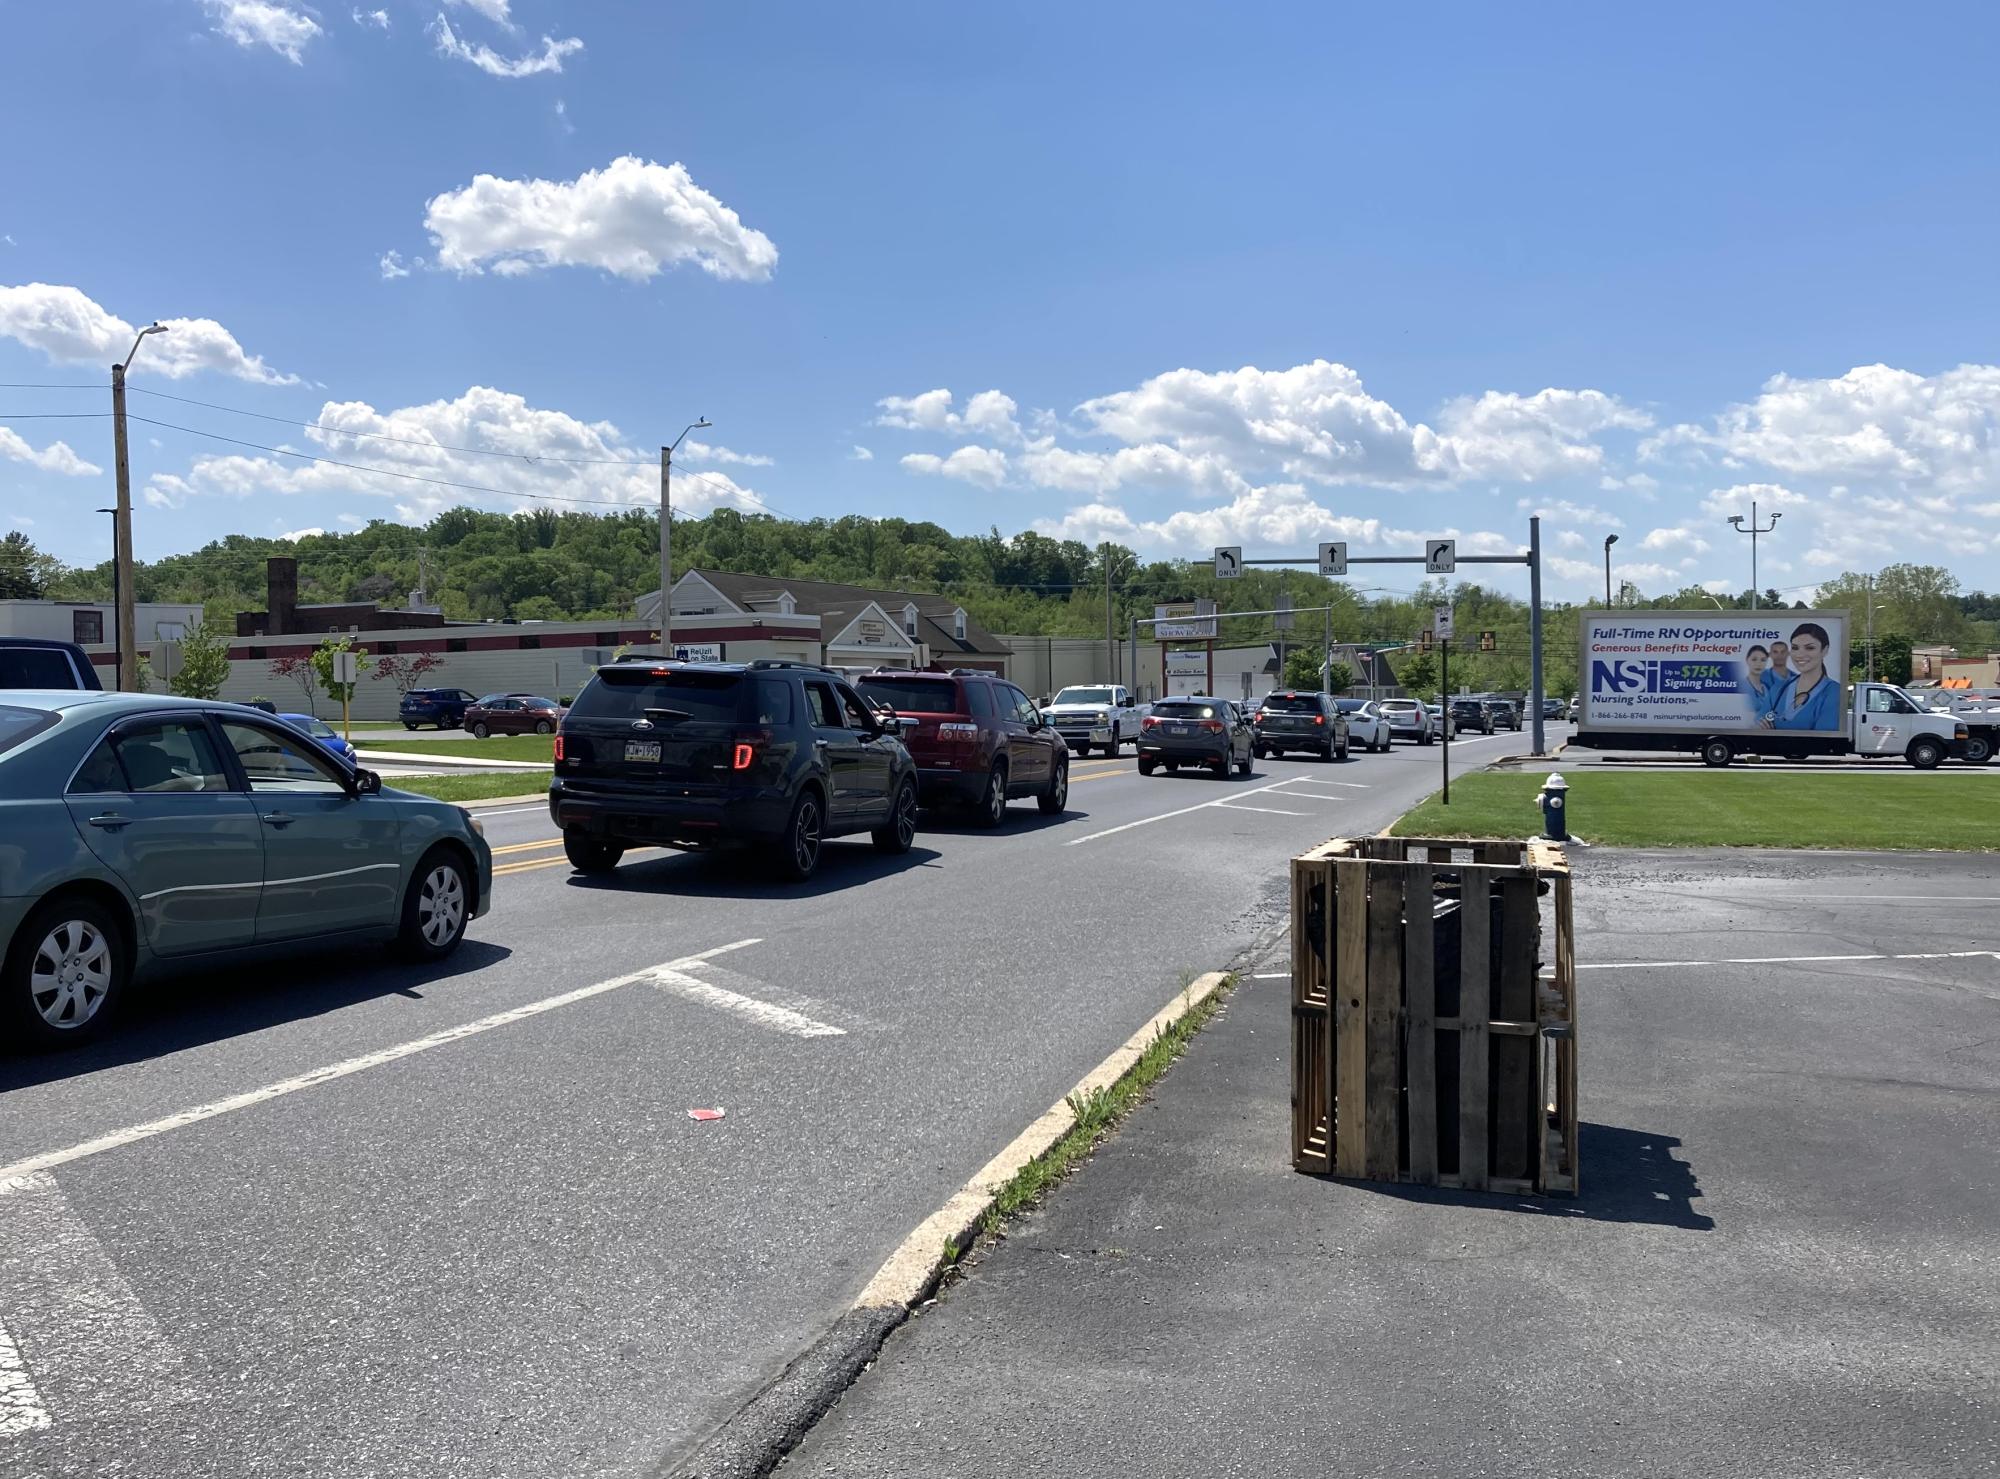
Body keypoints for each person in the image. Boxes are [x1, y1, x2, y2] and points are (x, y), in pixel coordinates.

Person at [1768, 623, 1841, 730]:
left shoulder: (1834, 692)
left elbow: (1823, 736)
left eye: (1810, 648)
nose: (1800, 654)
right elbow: (1759, 724)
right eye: (1795, 648)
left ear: (1824, 650)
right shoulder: (1778, 689)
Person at [1741, 644, 1784, 717]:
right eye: (1754, 659)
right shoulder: (1742, 686)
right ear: (1747, 660)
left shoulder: (1766, 687)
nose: (1758, 664)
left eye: (1763, 660)